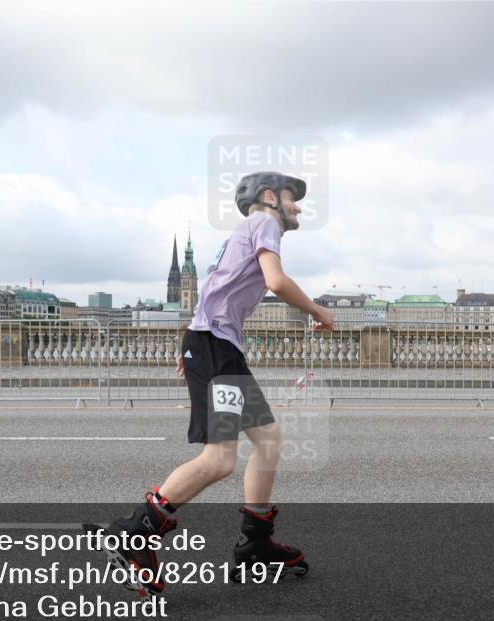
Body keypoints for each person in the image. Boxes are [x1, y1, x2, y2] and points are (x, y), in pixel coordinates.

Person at [99, 172, 335, 597]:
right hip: (215, 349)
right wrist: (319, 311)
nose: (298, 206)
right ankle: (133, 534)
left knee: (268, 441)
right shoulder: (264, 223)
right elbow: (277, 282)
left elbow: (211, 287)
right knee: (220, 459)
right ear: (269, 197)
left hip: (216, 347)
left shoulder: (242, 233)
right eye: (292, 197)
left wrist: (191, 341)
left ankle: (255, 547)